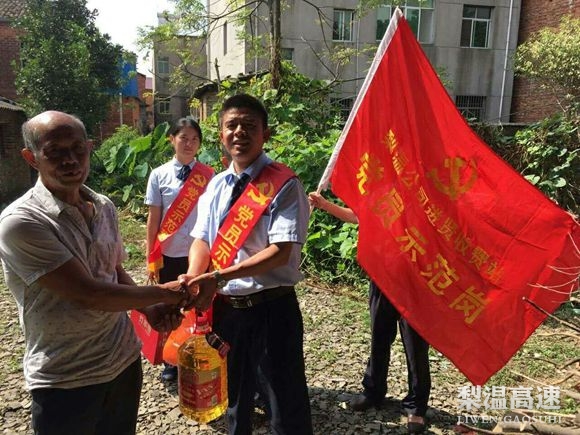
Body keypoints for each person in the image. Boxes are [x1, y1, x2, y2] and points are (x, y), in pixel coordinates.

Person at [0, 111, 190, 435]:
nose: (70, 160)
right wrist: (170, 292)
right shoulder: (22, 223)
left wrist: (149, 308)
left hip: (123, 361)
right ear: (31, 158)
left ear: (90, 148)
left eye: (78, 149)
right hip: (66, 376)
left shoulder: (103, 206)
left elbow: (112, 270)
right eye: (55, 152)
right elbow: (91, 294)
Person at [180, 94, 313, 435]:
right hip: (228, 311)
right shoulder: (215, 185)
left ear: (265, 134)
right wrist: (194, 277)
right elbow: (202, 240)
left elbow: (281, 251)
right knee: (235, 400)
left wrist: (218, 275)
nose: (239, 132)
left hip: (272, 309)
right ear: (220, 135)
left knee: (285, 402)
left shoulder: (284, 184)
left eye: (249, 125)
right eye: (232, 125)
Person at [308, 191, 431, 434]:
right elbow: (357, 216)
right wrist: (324, 204)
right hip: (383, 276)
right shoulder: (383, 191)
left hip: (417, 282)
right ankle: (373, 391)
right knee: (379, 337)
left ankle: (416, 406)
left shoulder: (427, 192)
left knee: (415, 345)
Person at [145, 117, 213, 382]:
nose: (189, 144)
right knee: (170, 306)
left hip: (201, 252)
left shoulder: (209, 175)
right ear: (172, 139)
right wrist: (150, 256)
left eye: (195, 139)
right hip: (170, 252)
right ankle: (171, 360)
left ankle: (200, 352)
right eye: (183, 138)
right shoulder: (158, 175)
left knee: (200, 304)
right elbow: (154, 218)